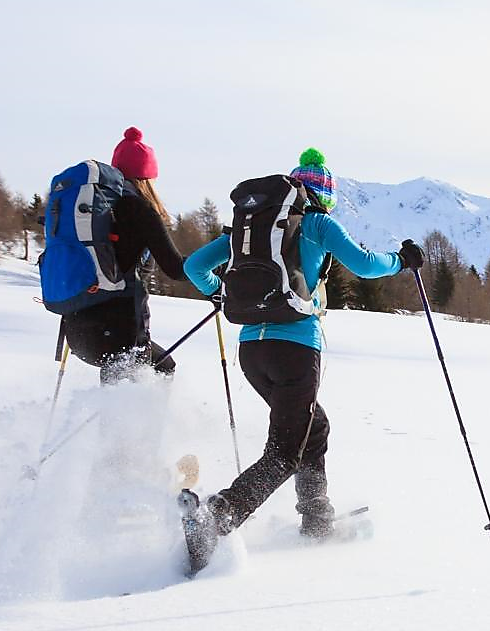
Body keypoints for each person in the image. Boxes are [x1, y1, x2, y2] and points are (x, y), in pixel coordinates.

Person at [180, 147, 423, 567]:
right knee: (284, 452)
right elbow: (365, 265)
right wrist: (401, 260)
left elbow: (194, 267)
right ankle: (216, 517)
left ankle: (317, 520)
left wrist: (224, 295)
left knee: (314, 427)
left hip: (252, 352)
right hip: (294, 350)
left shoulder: (248, 232)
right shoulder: (317, 224)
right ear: (323, 197)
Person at [60, 127, 190, 383]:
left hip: (76, 331)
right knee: (151, 378)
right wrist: (215, 269)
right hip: (120, 330)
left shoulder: (94, 212)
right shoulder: (140, 210)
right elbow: (176, 268)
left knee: (158, 368)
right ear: (147, 178)